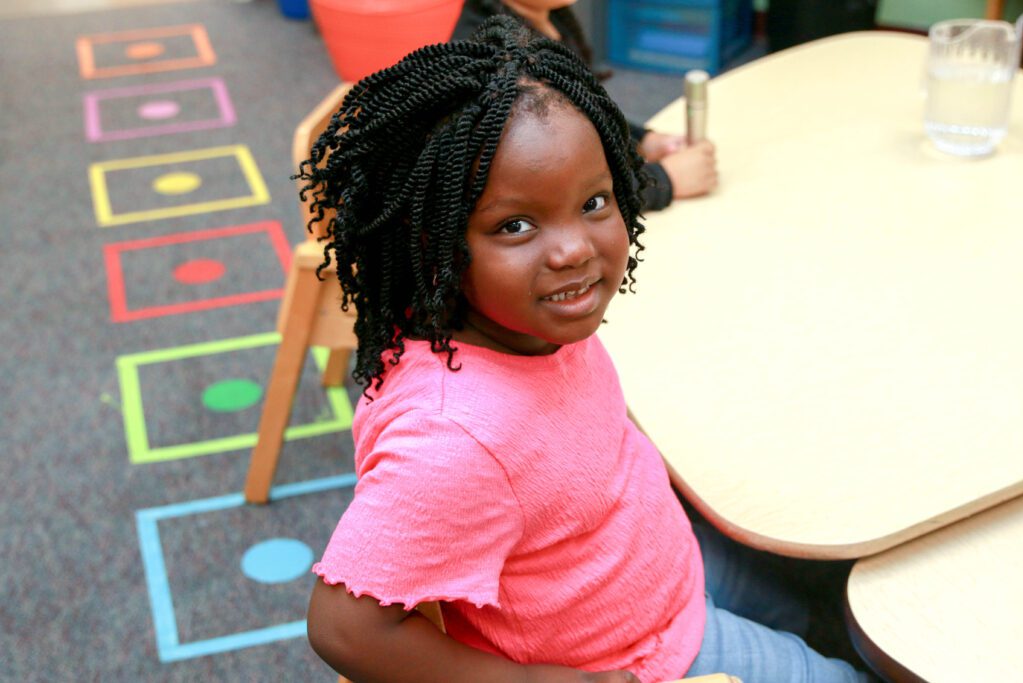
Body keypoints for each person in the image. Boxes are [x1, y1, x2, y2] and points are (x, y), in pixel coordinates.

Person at [302, 16, 873, 683]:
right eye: (515, 224)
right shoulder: (453, 437)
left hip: (660, 566)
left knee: (839, 601)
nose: (575, 248)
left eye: (595, 201)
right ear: (436, 248)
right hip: (639, 652)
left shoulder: (523, 319)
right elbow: (344, 628)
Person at [451, 0, 718, 212]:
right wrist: (663, 181)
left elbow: (585, 108)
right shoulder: (498, 59)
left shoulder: (548, 15)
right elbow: (551, 186)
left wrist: (642, 139)